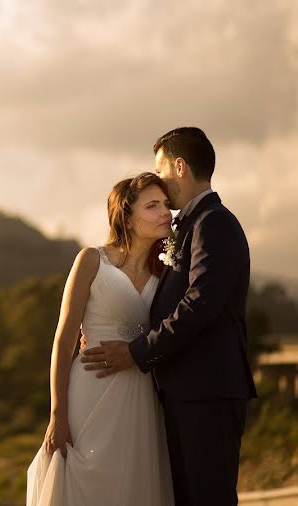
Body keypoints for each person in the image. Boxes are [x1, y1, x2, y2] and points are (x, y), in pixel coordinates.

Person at [80, 127, 257, 506]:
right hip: (184, 392)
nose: (159, 183)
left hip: (207, 391)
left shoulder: (215, 223)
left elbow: (200, 304)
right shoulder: (189, 227)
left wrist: (137, 351)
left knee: (208, 497)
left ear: (179, 167)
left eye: (160, 172)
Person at [26, 172, 175, 506]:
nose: (165, 212)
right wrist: (57, 415)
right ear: (126, 215)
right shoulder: (92, 260)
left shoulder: (165, 275)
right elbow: (64, 340)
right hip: (90, 393)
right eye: (152, 206)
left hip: (142, 398)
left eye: (166, 204)